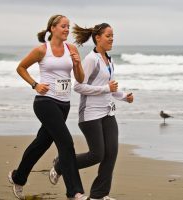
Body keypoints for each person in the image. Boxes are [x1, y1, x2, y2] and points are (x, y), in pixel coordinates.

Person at [49, 23, 134, 200]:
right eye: (108, 36)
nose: (111, 39)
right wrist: (105, 88)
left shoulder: (109, 60)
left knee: (111, 154)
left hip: (108, 113)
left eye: (113, 36)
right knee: (97, 155)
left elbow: (111, 88)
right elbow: (78, 86)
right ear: (98, 38)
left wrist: (125, 96)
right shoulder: (91, 59)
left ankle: (98, 195)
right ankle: (60, 164)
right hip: (90, 115)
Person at [8, 14, 88, 200]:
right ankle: (75, 192)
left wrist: (77, 63)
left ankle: (18, 177)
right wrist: (35, 85)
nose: (67, 29)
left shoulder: (72, 49)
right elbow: (21, 68)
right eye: (63, 26)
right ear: (52, 28)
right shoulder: (42, 50)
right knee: (66, 143)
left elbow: (80, 78)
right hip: (45, 102)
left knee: (42, 143)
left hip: (64, 104)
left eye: (68, 26)